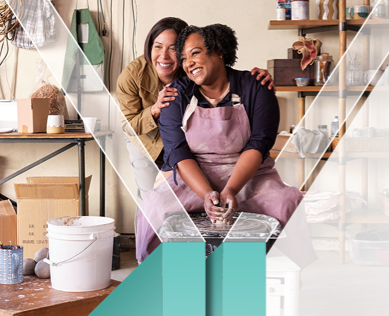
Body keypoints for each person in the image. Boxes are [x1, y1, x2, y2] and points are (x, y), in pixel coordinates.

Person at [135, 23, 317, 268]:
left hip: (251, 175)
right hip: (194, 177)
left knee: (286, 203)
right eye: (184, 58)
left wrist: (231, 189)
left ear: (219, 51)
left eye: (195, 53)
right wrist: (207, 195)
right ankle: (163, 277)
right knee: (155, 207)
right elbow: (178, 152)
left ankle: (284, 277)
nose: (188, 62)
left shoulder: (255, 87)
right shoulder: (175, 95)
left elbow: (259, 143)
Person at [116, 17, 274, 224]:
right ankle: (147, 255)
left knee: (195, 196)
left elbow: (223, 74)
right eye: (157, 47)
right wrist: (155, 109)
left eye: (173, 49)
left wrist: (257, 81)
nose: (163, 56)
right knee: (151, 197)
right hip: (144, 137)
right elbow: (129, 125)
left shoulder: (194, 66)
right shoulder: (132, 75)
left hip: (187, 137)